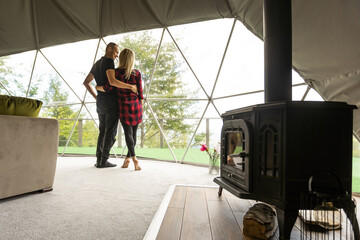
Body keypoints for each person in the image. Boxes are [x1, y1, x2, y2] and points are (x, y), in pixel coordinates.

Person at [83, 43, 137, 168]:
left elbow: (86, 82)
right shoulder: (108, 62)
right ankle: (103, 161)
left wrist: (97, 96)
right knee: (110, 133)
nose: (117, 55)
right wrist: (130, 87)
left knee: (102, 132)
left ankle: (99, 159)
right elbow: (112, 81)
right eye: (116, 52)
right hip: (111, 103)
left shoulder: (97, 64)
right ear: (109, 49)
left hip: (101, 103)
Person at [97, 48, 143, 171]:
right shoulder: (137, 73)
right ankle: (128, 158)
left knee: (128, 134)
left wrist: (97, 87)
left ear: (121, 58)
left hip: (123, 106)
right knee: (133, 134)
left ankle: (133, 158)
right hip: (136, 106)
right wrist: (141, 105)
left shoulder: (116, 73)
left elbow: (108, 87)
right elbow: (140, 92)